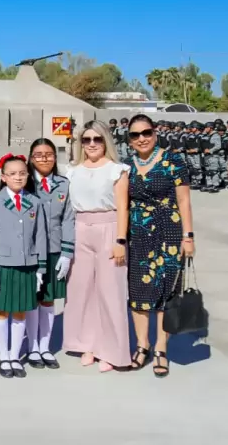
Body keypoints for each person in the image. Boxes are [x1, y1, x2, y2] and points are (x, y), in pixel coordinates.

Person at [124, 114, 195, 377]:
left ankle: (161, 348)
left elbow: (184, 200)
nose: (141, 138)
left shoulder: (174, 161)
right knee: (139, 291)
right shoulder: (126, 166)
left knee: (166, 291)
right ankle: (142, 345)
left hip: (169, 230)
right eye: (135, 135)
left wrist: (188, 236)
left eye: (146, 132)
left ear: (155, 133)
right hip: (138, 234)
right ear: (129, 139)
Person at [62, 120, 131, 372]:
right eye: (87, 139)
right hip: (80, 229)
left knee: (110, 291)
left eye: (97, 139)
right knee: (81, 291)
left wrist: (120, 240)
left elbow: (123, 206)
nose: (92, 144)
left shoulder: (117, 170)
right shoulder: (72, 170)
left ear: (106, 142)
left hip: (109, 228)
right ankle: (86, 343)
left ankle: (112, 350)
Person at [0, 154, 48, 379]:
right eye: (12, 174)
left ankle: (14, 354)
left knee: (20, 312)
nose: (18, 177)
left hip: (27, 264)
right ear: (3, 177)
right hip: (4, 264)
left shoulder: (35, 202)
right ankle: (3, 356)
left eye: (22, 173)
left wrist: (40, 268)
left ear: (28, 175)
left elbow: (40, 236)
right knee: (2, 311)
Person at [24, 137, 75, 369]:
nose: (44, 158)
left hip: (54, 249)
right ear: (31, 158)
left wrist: (66, 252)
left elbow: (67, 219)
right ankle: (31, 347)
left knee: (48, 300)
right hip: (30, 252)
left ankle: (45, 346)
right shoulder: (23, 182)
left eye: (49, 154)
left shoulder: (63, 184)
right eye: (38, 154)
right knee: (31, 299)